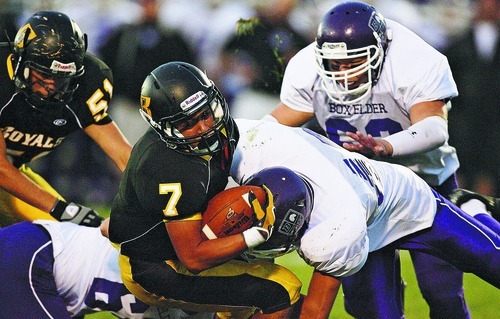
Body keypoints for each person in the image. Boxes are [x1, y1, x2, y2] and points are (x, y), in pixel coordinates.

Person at [264, 1, 467, 317]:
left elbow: (434, 127)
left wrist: (386, 146)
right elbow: (275, 125)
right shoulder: (308, 69)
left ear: (379, 50)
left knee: (441, 292)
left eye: (354, 61)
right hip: (360, 195)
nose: (344, 73)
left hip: (425, 185)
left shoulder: (414, 58)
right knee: (372, 306)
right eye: (335, 64)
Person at [229, 118, 500, 319]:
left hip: (407, 203)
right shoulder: (249, 152)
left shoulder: (333, 225)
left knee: (490, 260)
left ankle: (474, 209)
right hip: (361, 211)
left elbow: (314, 314)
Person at [105, 62, 302, 319]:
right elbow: (194, 258)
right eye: (187, 123)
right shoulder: (168, 167)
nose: (204, 127)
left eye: (205, 112)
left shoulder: (222, 130)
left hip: (181, 242)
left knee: (258, 275)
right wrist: (254, 236)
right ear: (163, 127)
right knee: (281, 290)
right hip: (157, 266)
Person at [0, 11, 132, 227]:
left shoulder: (86, 84)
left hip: (13, 172)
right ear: (20, 59)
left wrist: (156, 194)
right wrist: (61, 208)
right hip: (5, 171)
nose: (51, 85)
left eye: (60, 78)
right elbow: (1, 169)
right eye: (43, 74)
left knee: (75, 232)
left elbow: (123, 155)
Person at [0, 220, 214, 319]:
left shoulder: (212, 304)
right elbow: (108, 226)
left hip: (54, 283)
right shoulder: (178, 240)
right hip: (33, 252)